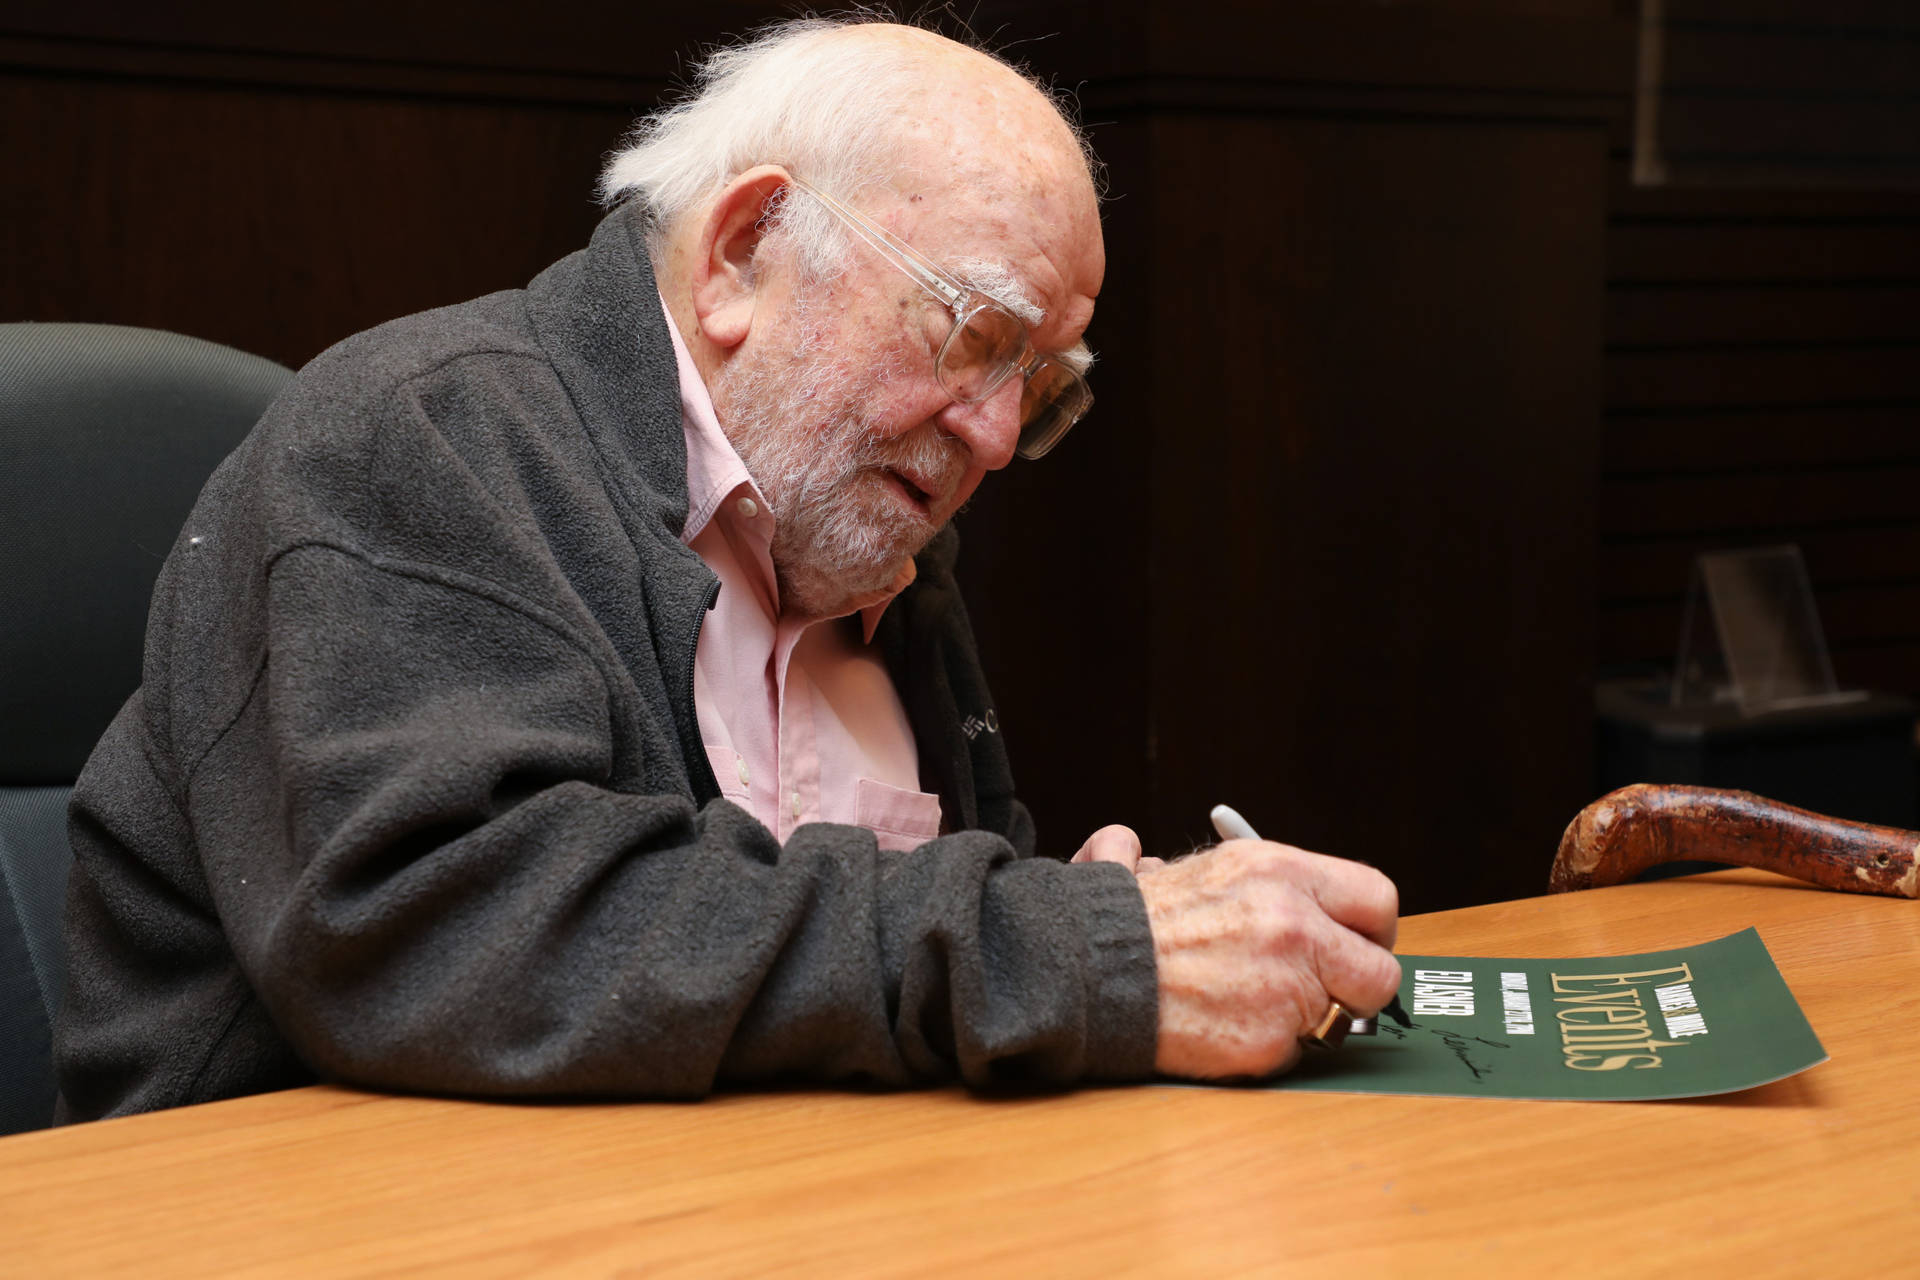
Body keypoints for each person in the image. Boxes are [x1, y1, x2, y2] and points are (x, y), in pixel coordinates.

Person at [55, 17, 1400, 1121]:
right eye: (970, 337)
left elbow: (894, 961)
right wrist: (1071, 952)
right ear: (747, 254)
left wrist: (1073, 924)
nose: (996, 437)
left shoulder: (876, 537)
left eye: (1038, 390)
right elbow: (454, 932)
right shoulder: (418, 440)